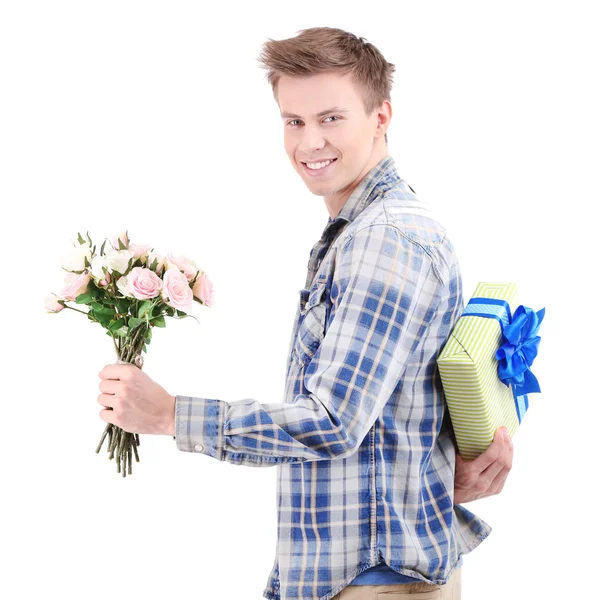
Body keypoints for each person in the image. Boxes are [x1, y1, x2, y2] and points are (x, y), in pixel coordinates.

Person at [97, 27, 514, 600]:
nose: (309, 142)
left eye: (331, 118)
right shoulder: (371, 230)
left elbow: (334, 422)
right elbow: (403, 395)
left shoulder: (384, 240)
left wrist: (171, 414)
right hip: (370, 571)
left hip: (375, 581)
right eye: (293, 121)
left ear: (381, 115)